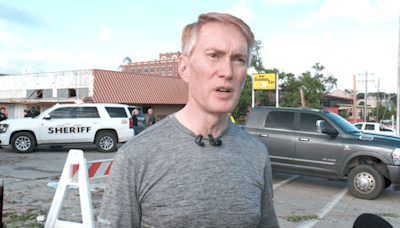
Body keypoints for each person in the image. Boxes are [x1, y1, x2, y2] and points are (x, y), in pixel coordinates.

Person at [98, 12, 279, 228]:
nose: (227, 72)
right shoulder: (136, 157)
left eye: (239, 60)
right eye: (214, 55)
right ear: (184, 68)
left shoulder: (256, 153)